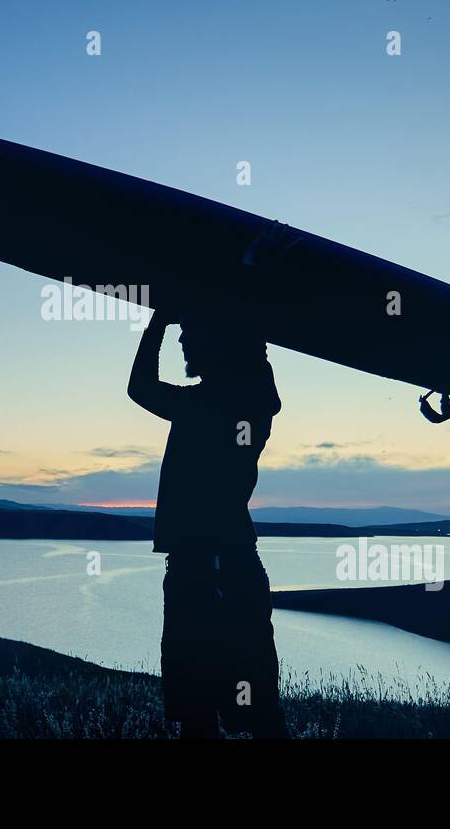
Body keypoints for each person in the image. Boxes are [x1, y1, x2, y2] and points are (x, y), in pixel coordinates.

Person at [128, 302, 289, 739]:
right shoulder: (239, 404)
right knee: (232, 705)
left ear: (221, 344)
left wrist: (159, 321)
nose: (183, 341)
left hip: (213, 566)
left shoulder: (215, 404)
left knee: (224, 707)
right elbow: (140, 387)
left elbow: (139, 386)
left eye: (190, 334)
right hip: (210, 564)